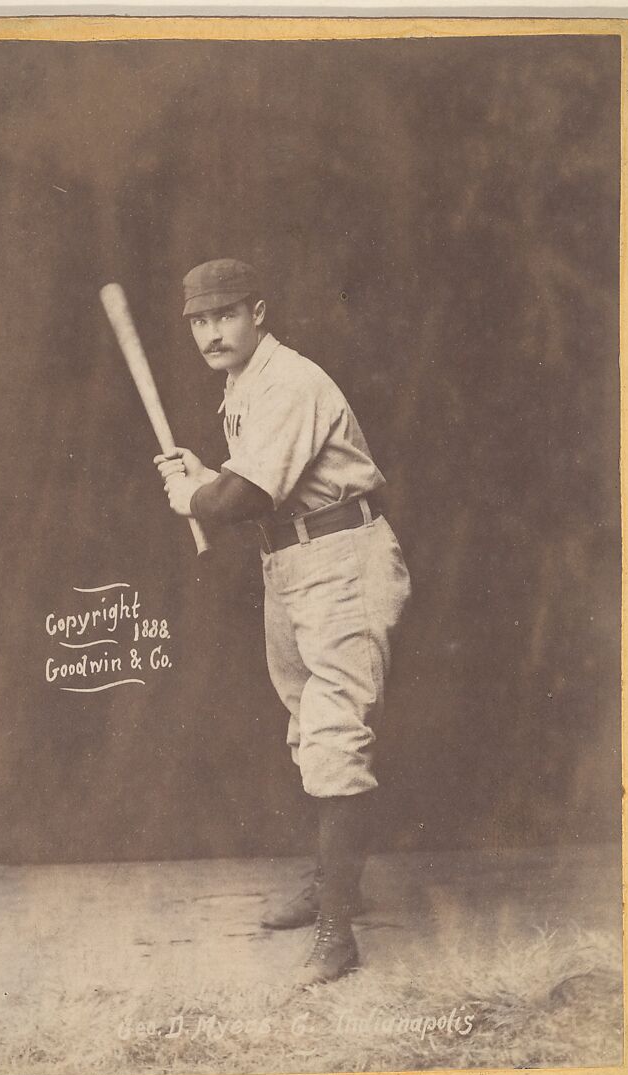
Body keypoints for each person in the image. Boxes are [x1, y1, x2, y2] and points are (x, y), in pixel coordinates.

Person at [155, 258, 411, 986]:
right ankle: (342, 885)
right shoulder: (244, 385)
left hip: (343, 559)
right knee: (309, 727)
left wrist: (199, 498)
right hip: (295, 563)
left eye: (225, 315)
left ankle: (338, 931)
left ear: (258, 313)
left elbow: (245, 500)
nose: (211, 332)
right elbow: (249, 485)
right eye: (200, 321)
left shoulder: (291, 381)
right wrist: (206, 477)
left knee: (334, 736)